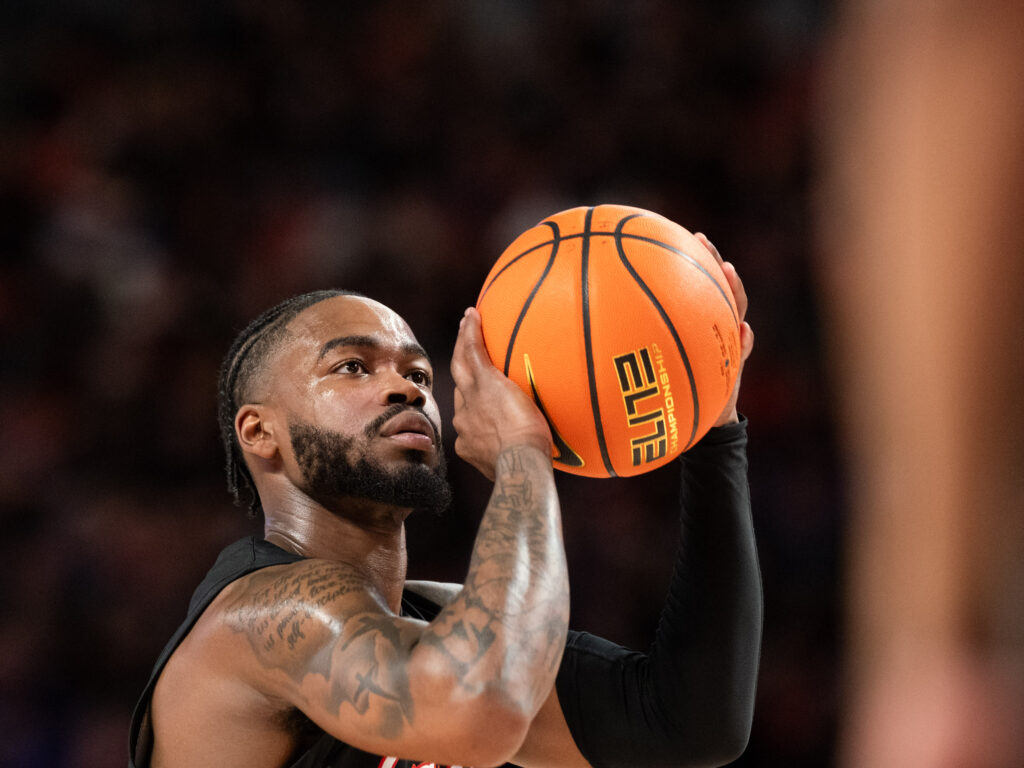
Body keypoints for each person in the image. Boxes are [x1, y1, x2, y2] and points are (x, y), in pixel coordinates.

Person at [128, 235, 761, 768]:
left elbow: (687, 723)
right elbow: (481, 708)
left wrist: (714, 433)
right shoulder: (260, 618)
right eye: (352, 367)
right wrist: (520, 456)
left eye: (420, 374)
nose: (402, 387)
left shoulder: (442, 625)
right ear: (259, 432)